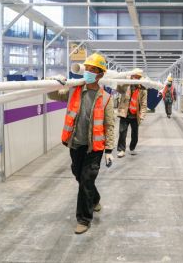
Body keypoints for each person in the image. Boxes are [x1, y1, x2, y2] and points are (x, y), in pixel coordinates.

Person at [47, 53, 115, 235]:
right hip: (76, 144)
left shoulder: (106, 97)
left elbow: (110, 124)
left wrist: (109, 149)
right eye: (88, 68)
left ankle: (84, 219)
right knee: (79, 175)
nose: (89, 72)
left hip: (95, 148)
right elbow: (52, 95)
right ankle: (95, 199)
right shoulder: (74, 90)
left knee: (86, 180)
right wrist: (54, 82)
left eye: (93, 70)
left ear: (100, 74)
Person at [116, 68, 148, 158]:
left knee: (135, 134)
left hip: (135, 115)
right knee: (122, 132)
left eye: (138, 77)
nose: (135, 78)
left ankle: (132, 148)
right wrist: (120, 80)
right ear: (131, 76)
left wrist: (142, 116)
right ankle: (121, 150)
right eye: (134, 76)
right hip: (124, 113)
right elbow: (119, 89)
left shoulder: (143, 89)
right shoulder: (126, 85)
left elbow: (144, 104)